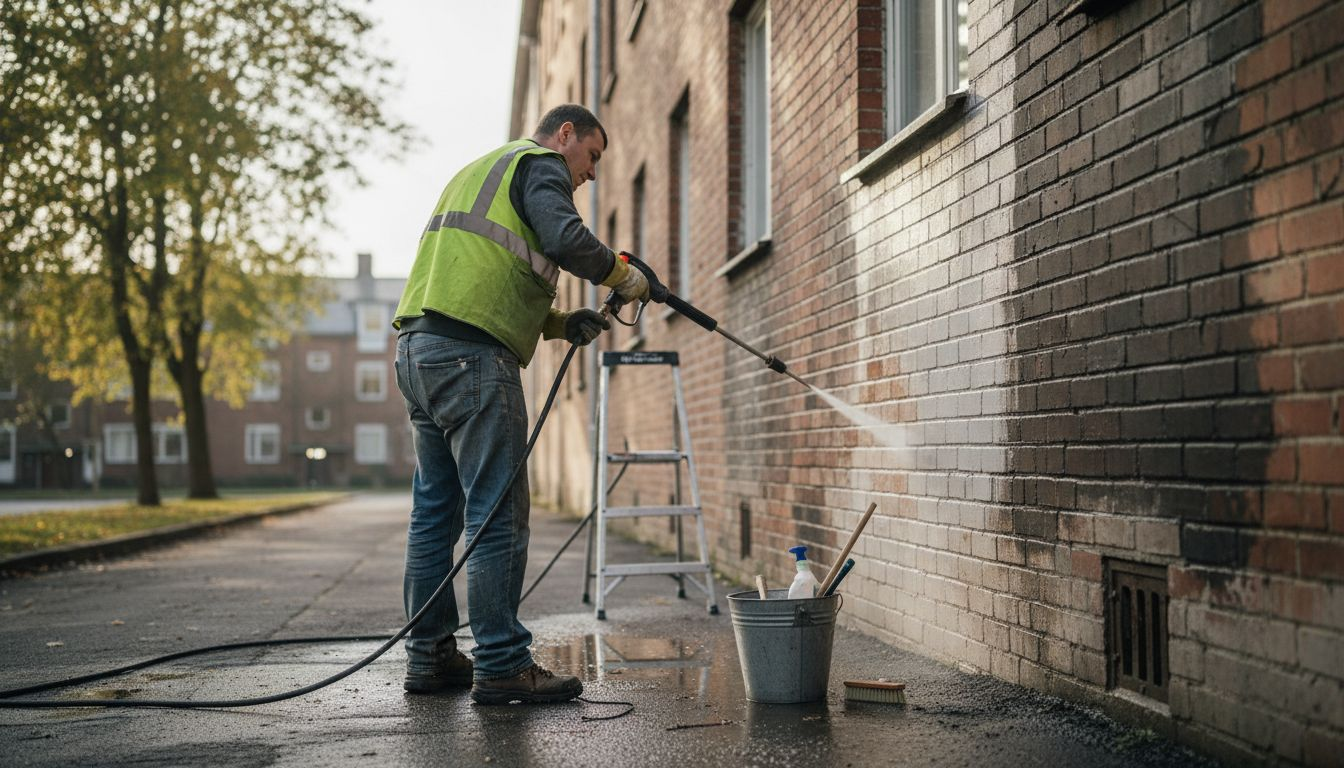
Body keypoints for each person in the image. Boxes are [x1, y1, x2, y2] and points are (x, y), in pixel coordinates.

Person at [391, 104, 649, 704]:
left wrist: (558, 324)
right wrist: (621, 276)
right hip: (472, 361)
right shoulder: (541, 165)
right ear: (566, 135)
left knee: (435, 514)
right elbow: (564, 237)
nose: (589, 175)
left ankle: (428, 659)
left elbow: (481, 273)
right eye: (592, 158)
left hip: (419, 351)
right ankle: (503, 663)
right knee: (496, 514)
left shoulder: (480, 169)